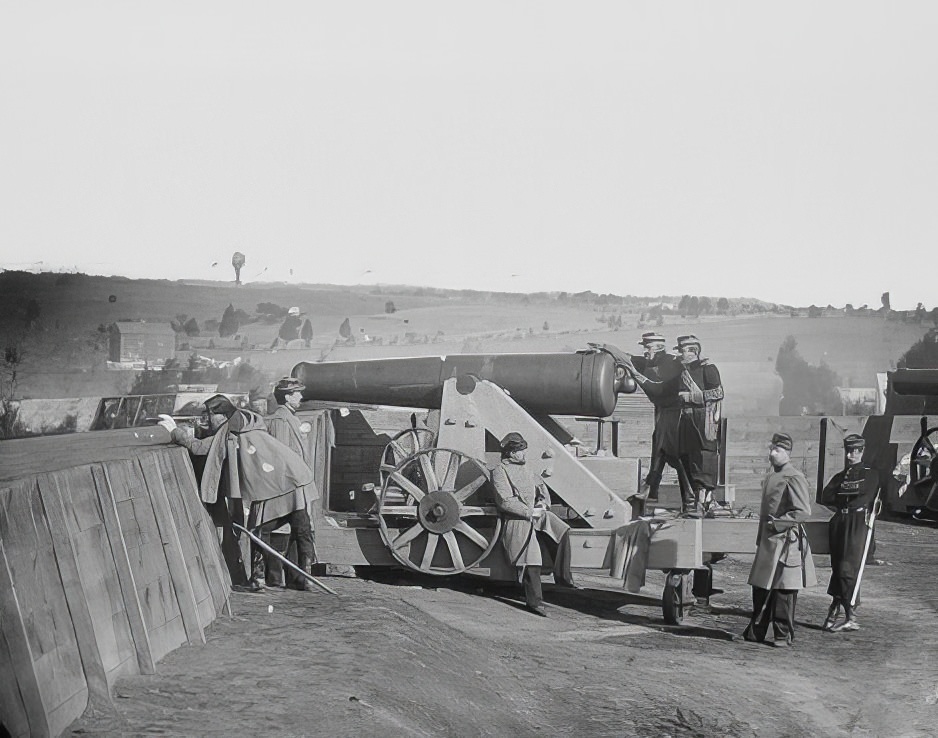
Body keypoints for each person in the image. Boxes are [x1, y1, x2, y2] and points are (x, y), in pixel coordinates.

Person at [163, 394, 314, 591]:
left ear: (222, 415)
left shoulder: (230, 431)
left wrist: (174, 430)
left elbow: (199, 447)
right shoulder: (250, 422)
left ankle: (259, 578)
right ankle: (306, 577)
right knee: (302, 530)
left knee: (258, 532)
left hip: (269, 488)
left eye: (210, 415)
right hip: (292, 478)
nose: (208, 420)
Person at [591, 334, 693, 512]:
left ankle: (688, 499)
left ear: (659, 348)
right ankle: (651, 490)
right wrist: (606, 347)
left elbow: (657, 388)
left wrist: (635, 373)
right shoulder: (648, 362)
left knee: (674, 454)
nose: (645, 351)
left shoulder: (671, 363)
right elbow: (627, 357)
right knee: (659, 451)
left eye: (648, 347)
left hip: (677, 412)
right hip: (662, 411)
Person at [743, 432, 816, 647]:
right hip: (769, 543)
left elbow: (803, 511)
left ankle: (782, 636)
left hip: (786, 543)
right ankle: (755, 632)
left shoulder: (794, 477)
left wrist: (778, 524)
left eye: (778, 450)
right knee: (760, 588)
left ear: (788, 454)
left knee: (784, 591)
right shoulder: (770, 477)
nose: (772, 454)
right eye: (771, 449)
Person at [491, 432, 574, 617]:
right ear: (511, 453)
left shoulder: (527, 467)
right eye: (521, 451)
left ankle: (563, 577)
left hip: (535, 513)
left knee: (561, 530)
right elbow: (505, 501)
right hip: (518, 519)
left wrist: (542, 503)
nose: (524, 454)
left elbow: (541, 487)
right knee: (531, 558)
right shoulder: (499, 471)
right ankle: (534, 601)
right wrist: (529, 512)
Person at [817, 433, 880, 632]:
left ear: (862, 451)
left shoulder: (870, 474)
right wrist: (844, 495)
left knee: (847, 569)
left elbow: (865, 496)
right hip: (840, 522)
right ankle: (838, 609)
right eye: (849, 450)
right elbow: (826, 496)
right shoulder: (839, 476)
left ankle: (849, 613)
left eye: (856, 451)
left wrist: (845, 493)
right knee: (838, 568)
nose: (852, 454)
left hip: (857, 523)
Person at [263, 377, 321, 591]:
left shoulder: (291, 418)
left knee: (301, 532)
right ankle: (277, 578)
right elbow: (280, 457)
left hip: (298, 487)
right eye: (297, 393)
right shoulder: (280, 420)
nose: (301, 396)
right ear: (287, 397)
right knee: (289, 531)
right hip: (288, 489)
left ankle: (298, 579)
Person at [674, 335, 724, 515]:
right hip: (686, 419)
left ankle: (705, 501)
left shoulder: (708, 369)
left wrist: (691, 397)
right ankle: (692, 501)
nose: (680, 353)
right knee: (687, 457)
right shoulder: (681, 371)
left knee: (704, 457)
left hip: (704, 419)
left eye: (683, 350)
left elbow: (717, 393)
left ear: (694, 351)